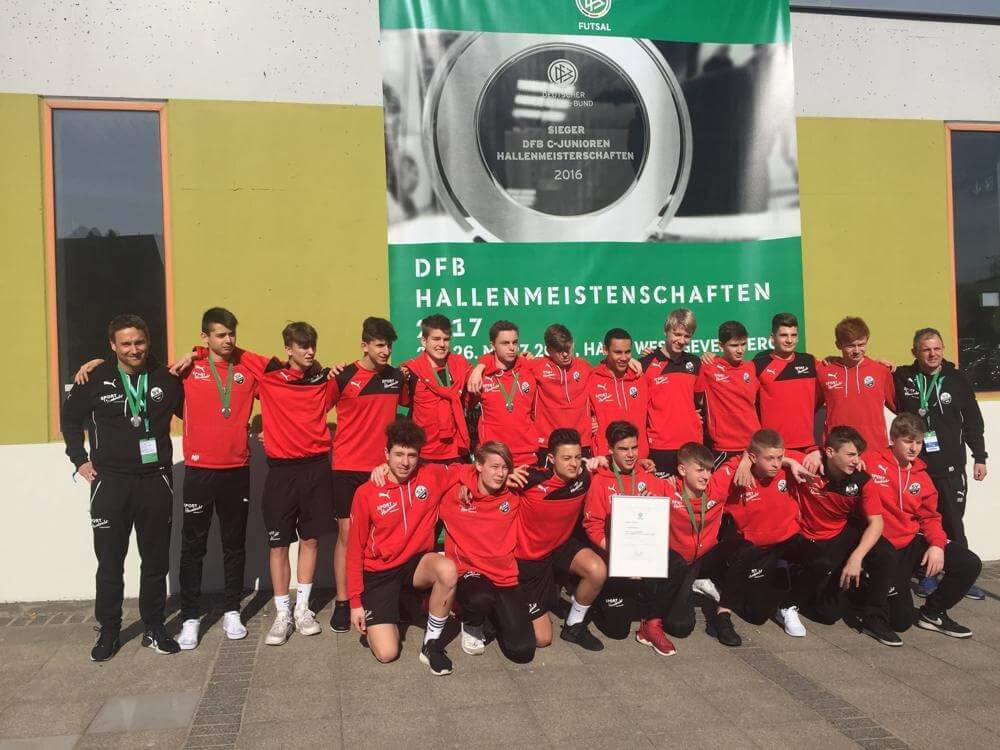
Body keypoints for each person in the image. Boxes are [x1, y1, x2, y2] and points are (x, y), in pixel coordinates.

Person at [175, 322, 338, 646]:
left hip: (316, 468)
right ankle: (282, 613)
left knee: (310, 541)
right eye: (302, 346)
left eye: (312, 346)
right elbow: (229, 350)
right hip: (280, 472)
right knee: (278, 545)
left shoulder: (324, 379)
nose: (309, 352)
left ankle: (303, 609)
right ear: (288, 349)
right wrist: (197, 352)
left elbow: (352, 382)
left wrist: (338, 370)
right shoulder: (269, 373)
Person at [62, 314, 184, 661]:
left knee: (155, 562)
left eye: (139, 342)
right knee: (110, 563)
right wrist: (79, 460)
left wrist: (196, 359)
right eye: (126, 343)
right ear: (113, 346)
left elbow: (196, 412)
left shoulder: (166, 378)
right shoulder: (94, 378)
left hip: (155, 480)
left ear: (149, 342)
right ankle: (109, 631)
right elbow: (70, 420)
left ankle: (155, 627)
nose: (134, 349)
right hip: (110, 483)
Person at [347, 419, 460, 674]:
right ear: (386, 453)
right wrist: (355, 602)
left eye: (412, 455)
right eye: (399, 454)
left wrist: (471, 486)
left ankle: (431, 645)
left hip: (414, 565)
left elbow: (464, 471)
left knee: (448, 569)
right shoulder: (366, 492)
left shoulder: (430, 475)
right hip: (379, 574)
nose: (405, 462)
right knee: (387, 653)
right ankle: (398, 606)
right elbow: (353, 550)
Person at [175, 308, 255, 647]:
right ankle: (190, 617)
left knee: (234, 544)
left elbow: (285, 381)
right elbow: (144, 372)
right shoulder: (188, 369)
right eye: (220, 335)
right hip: (199, 471)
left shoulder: (247, 370)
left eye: (232, 334)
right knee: (193, 546)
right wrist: (96, 364)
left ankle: (232, 609)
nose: (228, 340)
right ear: (205, 337)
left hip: (236, 470)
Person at [864, 414, 982, 639]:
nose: (914, 448)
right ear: (893, 439)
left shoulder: (923, 477)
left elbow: (930, 517)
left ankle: (933, 613)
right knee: (901, 621)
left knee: (969, 563)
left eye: (918, 442)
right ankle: (866, 595)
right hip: (883, 547)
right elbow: (841, 460)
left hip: (910, 542)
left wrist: (936, 545)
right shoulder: (870, 461)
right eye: (908, 441)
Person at [893, 327, 988, 600]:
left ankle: (961, 575)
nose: (932, 354)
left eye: (937, 348)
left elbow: (973, 420)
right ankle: (927, 574)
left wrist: (980, 457)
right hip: (916, 467)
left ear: (943, 349)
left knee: (953, 522)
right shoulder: (903, 377)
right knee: (921, 522)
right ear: (915, 352)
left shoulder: (957, 379)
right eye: (926, 349)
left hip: (951, 466)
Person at [660, 442, 786, 648]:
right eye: (700, 470)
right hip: (681, 563)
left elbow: (751, 453)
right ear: (682, 470)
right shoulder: (666, 488)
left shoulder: (717, 485)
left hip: (708, 556)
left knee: (745, 548)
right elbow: (636, 482)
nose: (706, 476)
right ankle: (690, 587)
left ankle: (723, 614)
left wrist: (745, 461)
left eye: (709, 470)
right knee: (680, 627)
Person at [328, 318, 407, 634]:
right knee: (348, 537)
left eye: (389, 346)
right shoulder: (342, 376)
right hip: (347, 468)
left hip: (382, 469)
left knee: (385, 536)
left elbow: (420, 401)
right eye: (379, 345)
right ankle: (343, 600)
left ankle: (380, 596)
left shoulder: (396, 377)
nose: (385, 351)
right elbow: (310, 408)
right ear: (365, 345)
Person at [583, 421, 688, 655]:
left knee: (678, 563)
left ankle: (651, 623)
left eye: (634, 448)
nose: (630, 455)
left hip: (643, 553)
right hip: (614, 557)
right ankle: (600, 599)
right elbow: (592, 526)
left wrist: (653, 505)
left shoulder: (648, 476)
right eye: (623, 449)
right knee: (617, 631)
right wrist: (620, 556)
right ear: (610, 450)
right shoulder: (600, 480)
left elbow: (673, 506)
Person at [724, 429, 834, 639]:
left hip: (788, 538)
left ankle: (789, 606)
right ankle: (764, 578)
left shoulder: (786, 465)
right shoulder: (738, 473)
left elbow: (831, 456)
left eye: (779, 458)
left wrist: (803, 458)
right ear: (753, 457)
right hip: (758, 548)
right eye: (770, 459)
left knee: (822, 563)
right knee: (756, 616)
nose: (776, 464)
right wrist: (744, 461)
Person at [792, 426, 896, 645]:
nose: (856, 460)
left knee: (886, 553)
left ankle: (874, 617)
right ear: (830, 452)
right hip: (813, 539)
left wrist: (856, 557)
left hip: (842, 531)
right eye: (850, 454)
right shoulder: (809, 464)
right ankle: (850, 591)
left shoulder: (861, 480)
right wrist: (791, 461)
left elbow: (876, 522)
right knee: (827, 615)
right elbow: (769, 452)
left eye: (858, 454)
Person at [439, 442, 536, 663]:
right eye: (494, 467)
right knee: (479, 599)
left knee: (522, 651)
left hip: (504, 576)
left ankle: (493, 615)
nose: (500, 474)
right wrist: (466, 480)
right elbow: (433, 473)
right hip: (469, 572)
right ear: (479, 466)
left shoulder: (514, 492)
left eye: (505, 468)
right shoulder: (454, 495)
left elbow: (550, 474)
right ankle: (472, 622)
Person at [516, 429, 607, 651]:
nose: (573, 463)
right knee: (542, 639)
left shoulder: (585, 476)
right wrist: (469, 485)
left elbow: (623, 467)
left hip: (560, 546)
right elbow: (486, 477)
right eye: (566, 458)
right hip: (530, 558)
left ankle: (574, 625)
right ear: (551, 458)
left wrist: (646, 466)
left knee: (597, 570)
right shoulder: (530, 479)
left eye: (577, 457)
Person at [468, 320, 544, 465]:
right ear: (493, 345)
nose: (511, 348)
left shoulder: (529, 369)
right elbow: (464, 407)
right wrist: (481, 366)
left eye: (514, 343)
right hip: (494, 456)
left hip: (527, 455)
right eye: (505, 343)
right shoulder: (481, 376)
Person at [816, 316, 895, 452]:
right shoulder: (824, 371)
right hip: (837, 449)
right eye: (851, 346)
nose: (857, 350)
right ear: (838, 345)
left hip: (874, 447)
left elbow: (897, 407)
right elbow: (809, 408)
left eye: (861, 344)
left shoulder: (881, 371)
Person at [402, 314, 472, 464]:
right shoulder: (410, 370)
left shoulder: (461, 364)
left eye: (446, 339)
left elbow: (489, 374)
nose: (442, 344)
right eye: (436, 339)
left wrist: (481, 366)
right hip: (423, 452)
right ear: (424, 341)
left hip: (456, 451)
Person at [752, 313, 822, 464]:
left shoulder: (810, 362)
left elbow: (836, 373)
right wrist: (713, 359)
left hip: (807, 446)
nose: (789, 340)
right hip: (772, 447)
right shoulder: (757, 365)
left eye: (793, 335)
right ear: (772, 338)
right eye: (783, 335)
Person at [641, 308, 703, 476]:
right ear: (666, 330)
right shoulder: (645, 364)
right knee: (662, 493)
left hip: (692, 443)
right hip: (660, 446)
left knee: (692, 492)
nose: (681, 340)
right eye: (677, 334)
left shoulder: (695, 363)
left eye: (687, 336)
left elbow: (700, 400)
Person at [696, 320, 760, 466]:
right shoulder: (708, 367)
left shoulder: (750, 367)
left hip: (754, 444)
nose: (740, 350)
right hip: (725, 446)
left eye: (743, 344)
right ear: (721, 345)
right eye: (734, 345)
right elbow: (696, 398)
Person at [588, 328, 649, 459]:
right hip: (606, 458)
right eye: (618, 352)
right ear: (605, 350)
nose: (624, 358)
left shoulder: (640, 378)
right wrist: (588, 423)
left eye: (627, 352)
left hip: (638, 457)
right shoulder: (592, 379)